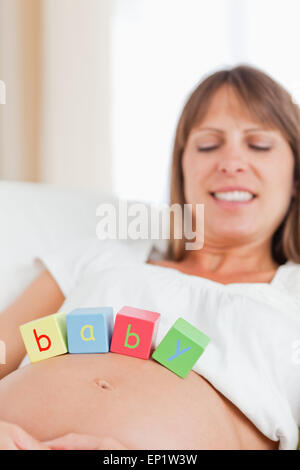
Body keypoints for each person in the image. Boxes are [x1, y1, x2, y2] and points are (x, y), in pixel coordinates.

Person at [0, 64, 300, 450]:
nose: (231, 162)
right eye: (208, 145)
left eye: (258, 145)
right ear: (182, 167)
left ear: (295, 176)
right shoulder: (103, 257)